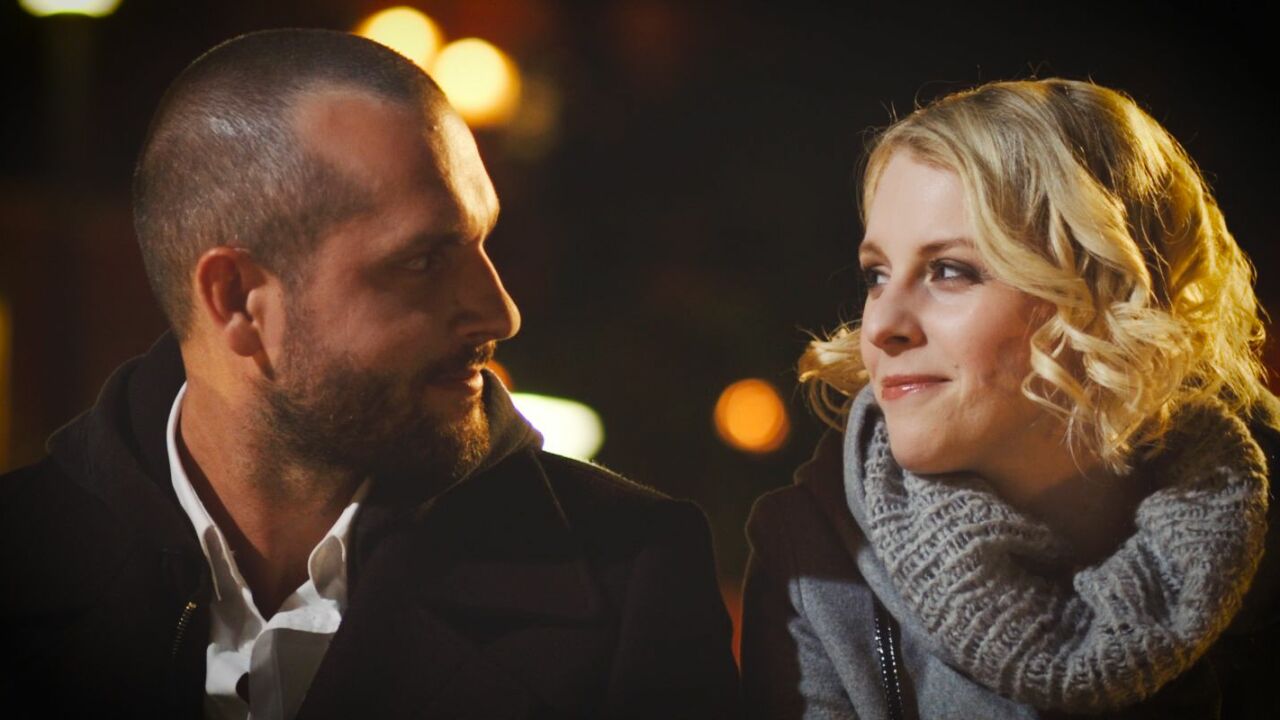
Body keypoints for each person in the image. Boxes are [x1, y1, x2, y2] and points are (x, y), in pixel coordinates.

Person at [0, 29, 739, 719]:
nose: (501, 311)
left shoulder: (628, 576)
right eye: (423, 260)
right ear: (239, 301)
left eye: (482, 241)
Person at [740, 78, 1280, 719]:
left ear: (1109, 296)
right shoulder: (811, 560)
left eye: (949, 270)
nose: (881, 325)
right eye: (876, 275)